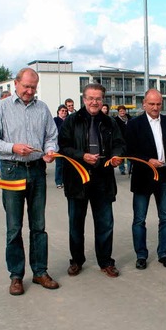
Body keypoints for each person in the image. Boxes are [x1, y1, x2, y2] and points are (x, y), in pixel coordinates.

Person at [0, 67, 59, 295]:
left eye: (33, 88)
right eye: (26, 86)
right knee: (14, 227)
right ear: (15, 84)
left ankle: (40, 272)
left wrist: (49, 150)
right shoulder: (2, 108)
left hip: (36, 170)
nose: (29, 91)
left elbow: (51, 136)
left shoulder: (43, 108)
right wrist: (13, 147)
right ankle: (16, 276)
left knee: (39, 226)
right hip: (11, 170)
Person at [58, 83, 125, 278]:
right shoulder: (72, 121)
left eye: (98, 98)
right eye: (90, 98)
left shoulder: (111, 122)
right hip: (77, 180)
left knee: (105, 224)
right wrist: (82, 156)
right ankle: (76, 261)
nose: (94, 102)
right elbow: (63, 147)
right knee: (76, 224)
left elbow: (120, 144)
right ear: (84, 99)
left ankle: (105, 261)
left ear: (102, 100)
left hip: (103, 180)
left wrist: (117, 155)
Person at [125, 89, 166, 270]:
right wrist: (147, 161)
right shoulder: (134, 125)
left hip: (164, 176)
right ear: (144, 104)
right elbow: (130, 152)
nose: (155, 107)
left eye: (158, 104)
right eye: (152, 104)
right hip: (143, 177)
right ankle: (141, 255)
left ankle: (164, 253)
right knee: (139, 219)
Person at [0, 90, 12, 179]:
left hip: (8, 135)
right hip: (0, 135)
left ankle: (2, 175)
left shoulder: (10, 106)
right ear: (2, 97)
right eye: (8, 96)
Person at [53, 104, 68, 188]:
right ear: (58, 112)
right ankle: (58, 181)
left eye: (65, 111)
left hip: (67, 146)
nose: (64, 112)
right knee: (59, 165)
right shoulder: (55, 120)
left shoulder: (69, 120)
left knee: (67, 165)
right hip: (58, 146)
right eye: (62, 111)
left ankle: (66, 180)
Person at [114, 105, 131, 175]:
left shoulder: (129, 118)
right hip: (120, 140)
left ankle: (130, 169)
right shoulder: (115, 120)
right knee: (122, 155)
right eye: (120, 111)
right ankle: (122, 169)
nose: (122, 112)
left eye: (123, 110)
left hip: (129, 139)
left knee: (130, 155)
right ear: (118, 112)